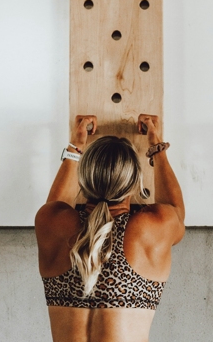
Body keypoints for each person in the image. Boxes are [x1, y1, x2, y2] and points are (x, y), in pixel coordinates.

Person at [35, 114, 185, 342]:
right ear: (135, 182)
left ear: (83, 179)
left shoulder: (51, 222)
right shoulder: (151, 227)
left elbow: (55, 205)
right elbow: (177, 211)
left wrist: (76, 146)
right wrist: (156, 146)